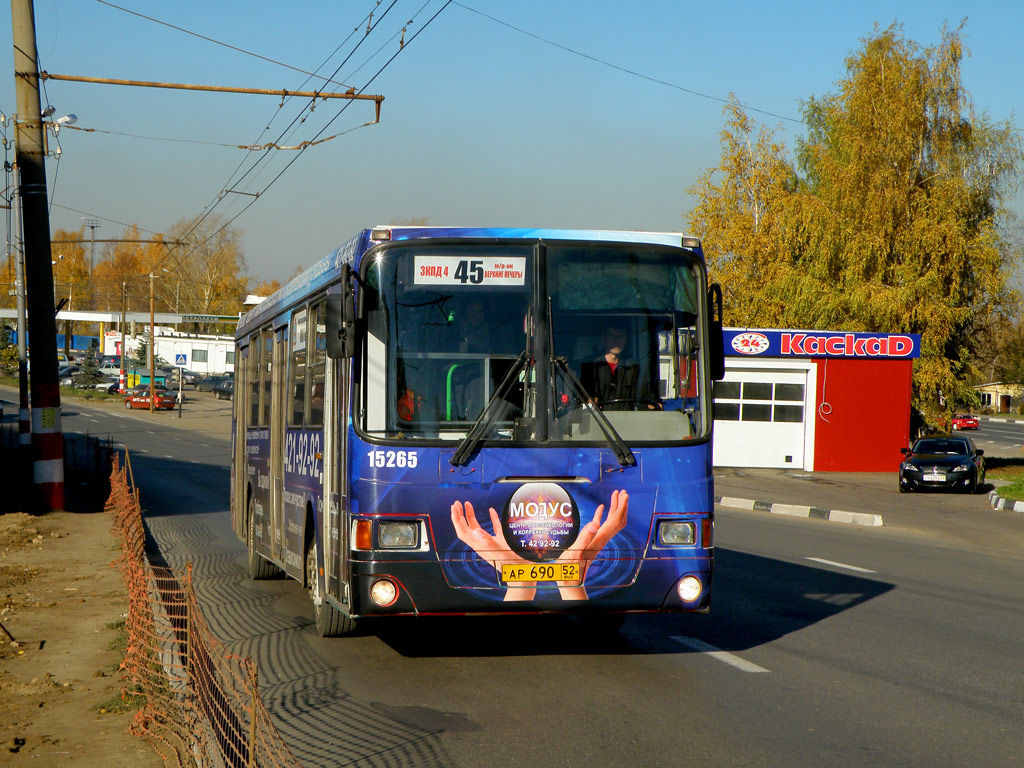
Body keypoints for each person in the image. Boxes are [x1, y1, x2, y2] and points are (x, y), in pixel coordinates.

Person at [579, 325, 659, 411]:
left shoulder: (633, 367)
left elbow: (645, 394)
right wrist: (590, 400)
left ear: (625, 339)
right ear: (604, 339)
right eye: (612, 336)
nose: (617, 341)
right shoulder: (591, 365)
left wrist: (652, 403)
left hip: (626, 420)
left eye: (621, 337)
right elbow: (581, 395)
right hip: (598, 420)